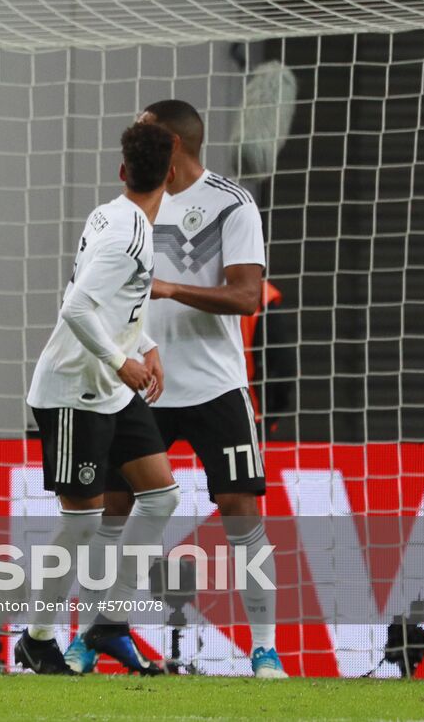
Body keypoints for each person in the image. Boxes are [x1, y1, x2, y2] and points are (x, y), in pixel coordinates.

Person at [76, 99, 286, 680]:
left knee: (241, 510)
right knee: (113, 509)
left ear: (171, 146)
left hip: (216, 385)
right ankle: (92, 637)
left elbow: (247, 295)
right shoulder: (127, 209)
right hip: (144, 384)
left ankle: (264, 649)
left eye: (143, 133)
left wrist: (169, 288)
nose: (131, 142)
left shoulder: (232, 203)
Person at [14, 121, 178, 677]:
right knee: (81, 524)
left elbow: (112, 298)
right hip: (73, 391)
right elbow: (76, 307)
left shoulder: (110, 214)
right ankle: (37, 639)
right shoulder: (125, 235)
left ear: (121, 171)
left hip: (109, 389)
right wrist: (121, 360)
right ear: (172, 176)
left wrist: (146, 342)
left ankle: (107, 620)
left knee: (159, 497)